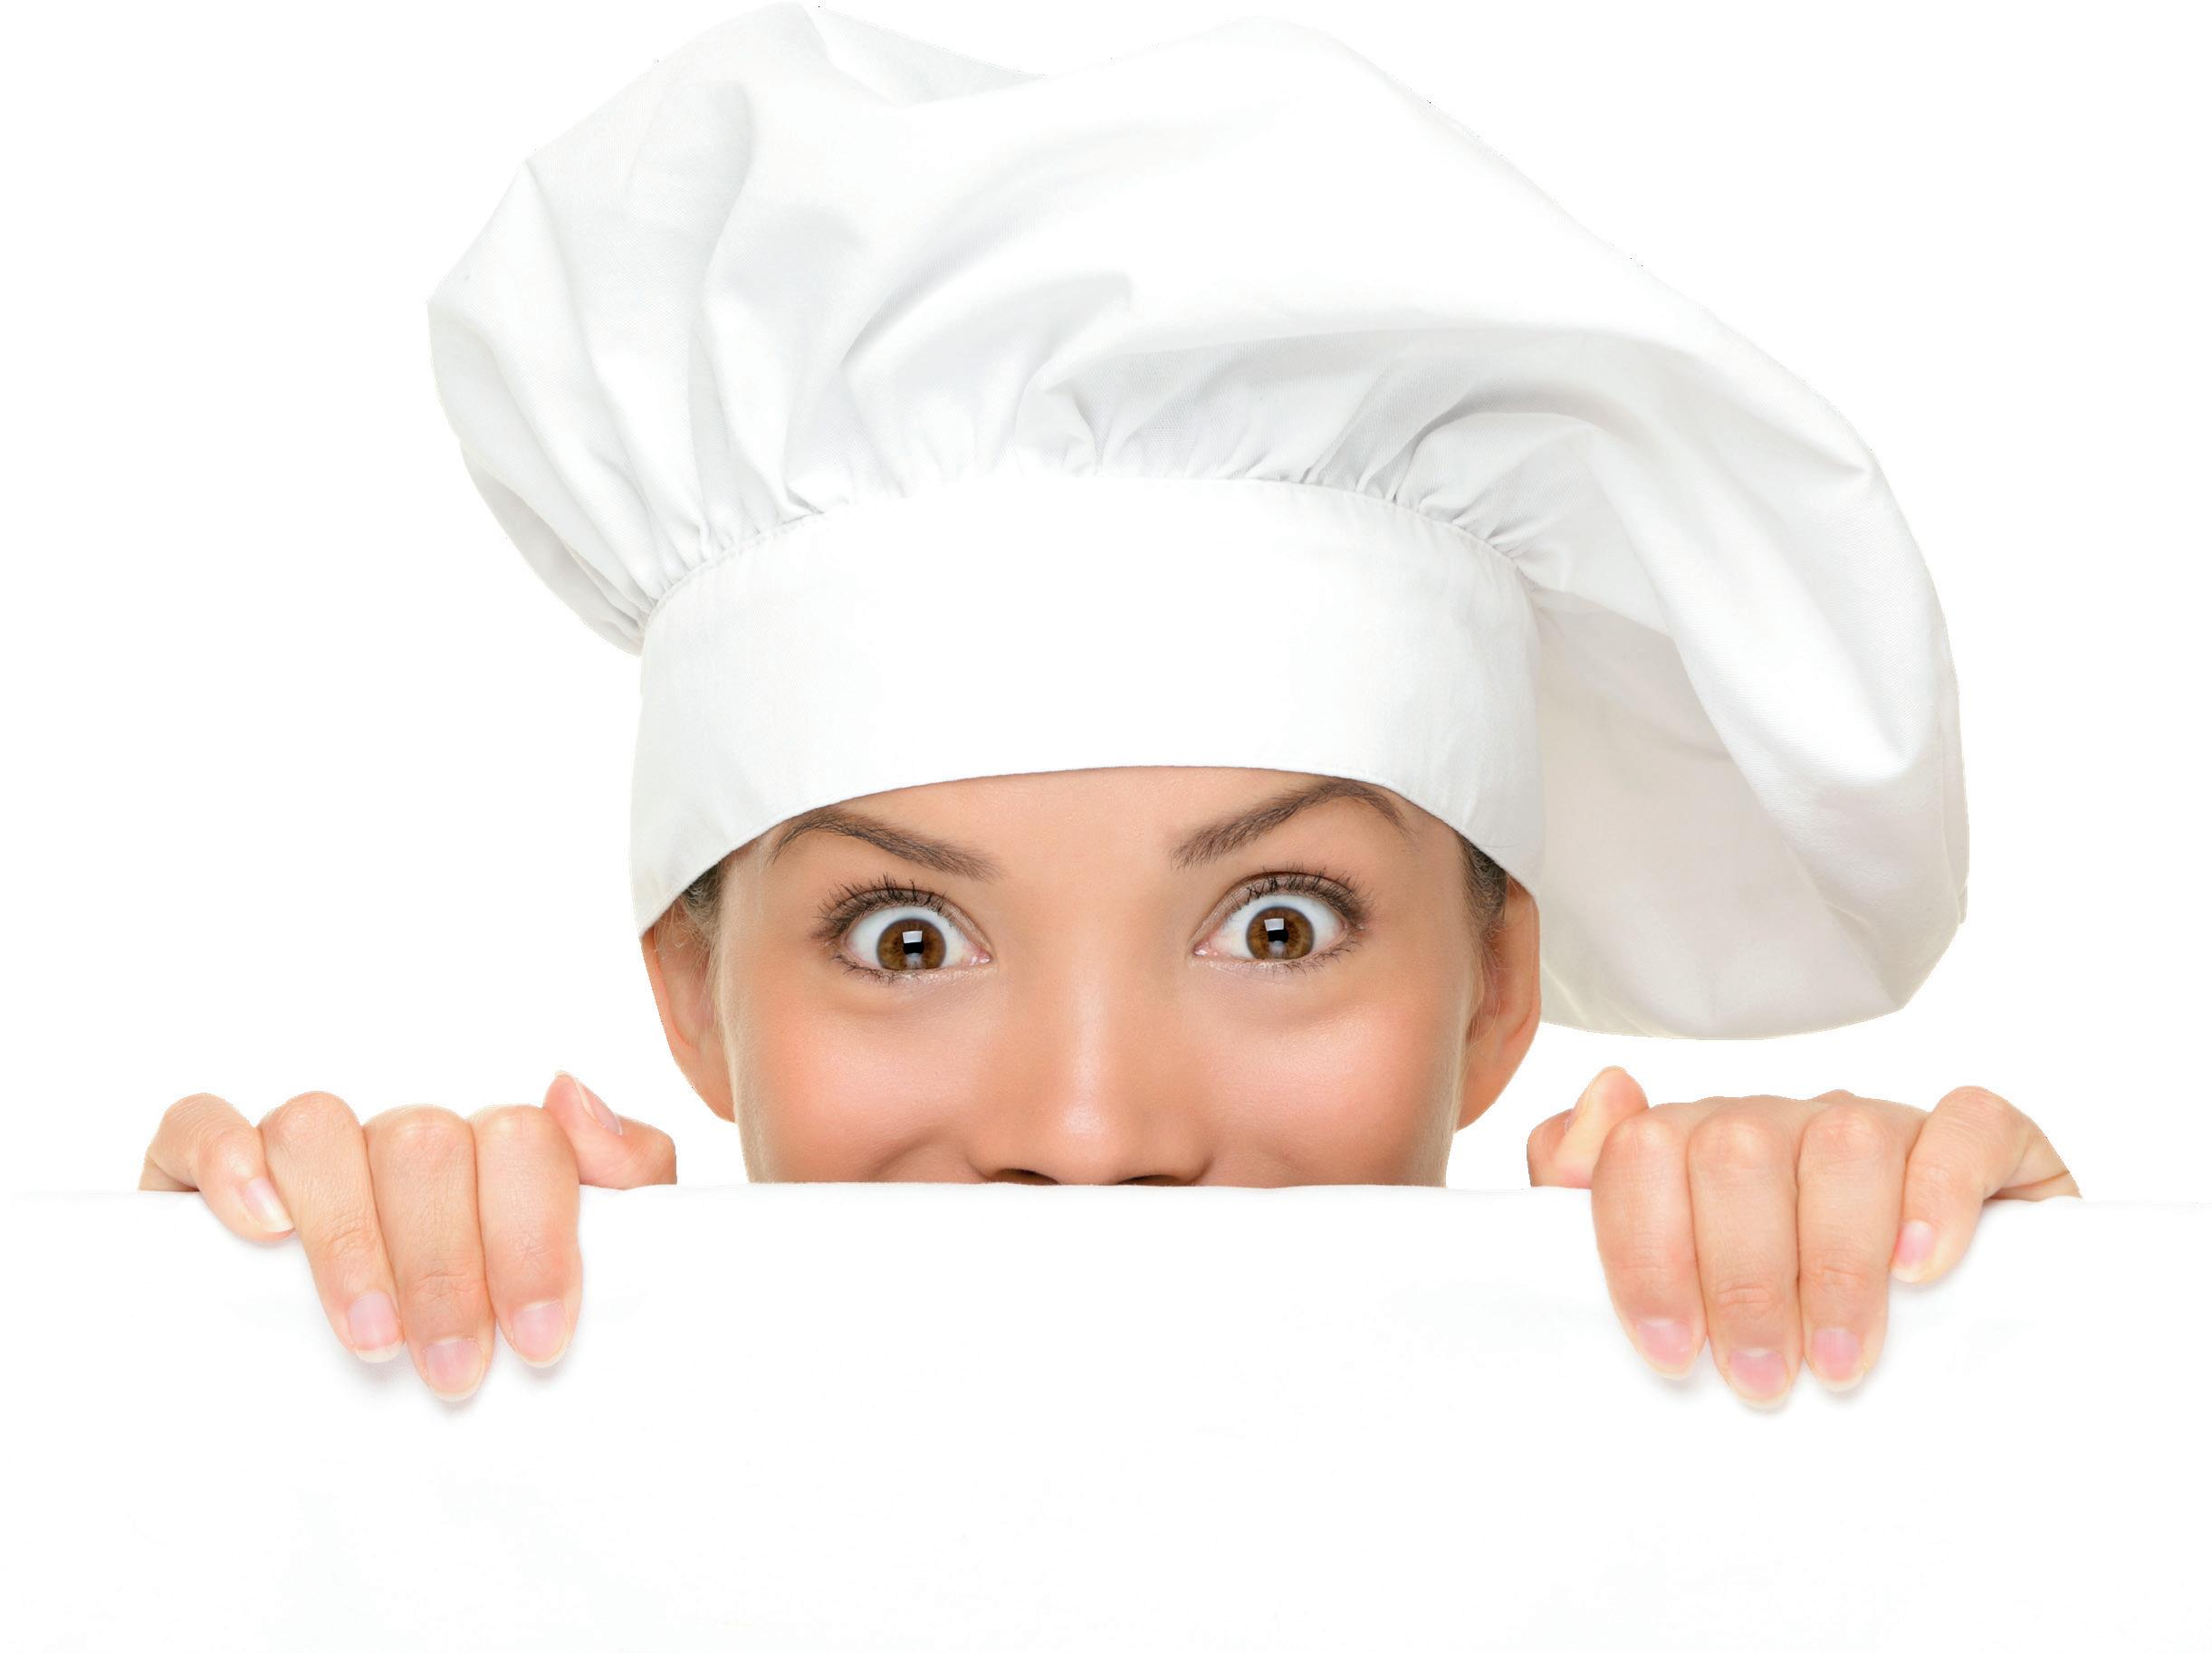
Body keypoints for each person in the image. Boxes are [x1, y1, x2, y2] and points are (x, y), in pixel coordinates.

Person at [138, 5, 2078, 1408]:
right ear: (690, 991)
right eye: (906, 937)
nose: (1090, 1134)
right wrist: (201, 1387)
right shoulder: (470, 1504)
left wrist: (2021, 1384)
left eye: (1277, 924)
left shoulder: (1738, 1514)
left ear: (1497, 989)